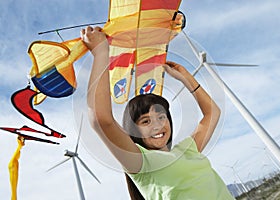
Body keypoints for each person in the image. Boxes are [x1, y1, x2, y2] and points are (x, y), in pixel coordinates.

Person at [82, 26, 235, 200]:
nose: (157, 125)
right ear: (134, 130)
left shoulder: (187, 150)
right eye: (146, 121)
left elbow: (213, 112)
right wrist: (101, 52)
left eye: (161, 117)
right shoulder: (141, 163)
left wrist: (185, 77)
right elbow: (101, 119)